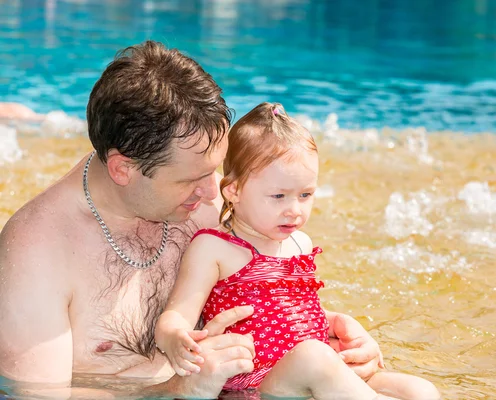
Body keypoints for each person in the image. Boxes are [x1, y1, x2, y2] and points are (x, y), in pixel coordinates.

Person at [0, 41, 425, 399]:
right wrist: (179, 390)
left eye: (215, 168)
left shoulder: (200, 199)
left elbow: (263, 294)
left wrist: (339, 338)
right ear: (123, 168)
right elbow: (35, 395)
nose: (215, 191)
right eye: (192, 179)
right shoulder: (36, 254)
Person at [155, 102, 440, 399]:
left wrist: (337, 322)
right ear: (234, 191)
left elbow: (291, 312)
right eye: (278, 196)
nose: (294, 210)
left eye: (305, 195)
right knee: (312, 357)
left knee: (421, 390)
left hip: (312, 372)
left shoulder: (300, 243)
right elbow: (175, 316)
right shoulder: (214, 248)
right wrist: (177, 339)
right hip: (258, 383)